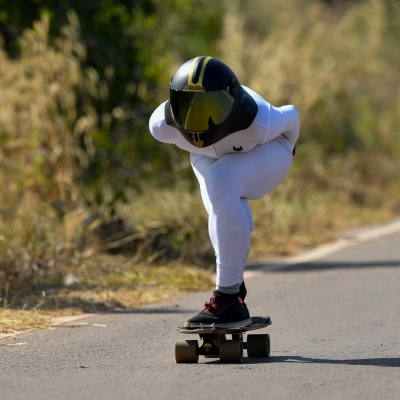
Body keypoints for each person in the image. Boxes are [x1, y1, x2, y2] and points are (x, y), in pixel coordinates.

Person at [149, 56, 299, 328]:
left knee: (222, 179)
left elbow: (292, 116)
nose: (198, 119)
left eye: (212, 106)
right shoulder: (162, 125)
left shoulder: (259, 121)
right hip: (205, 156)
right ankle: (235, 295)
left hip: (269, 150)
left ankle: (227, 297)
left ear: (231, 100)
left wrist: (290, 149)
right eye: (188, 106)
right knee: (221, 212)